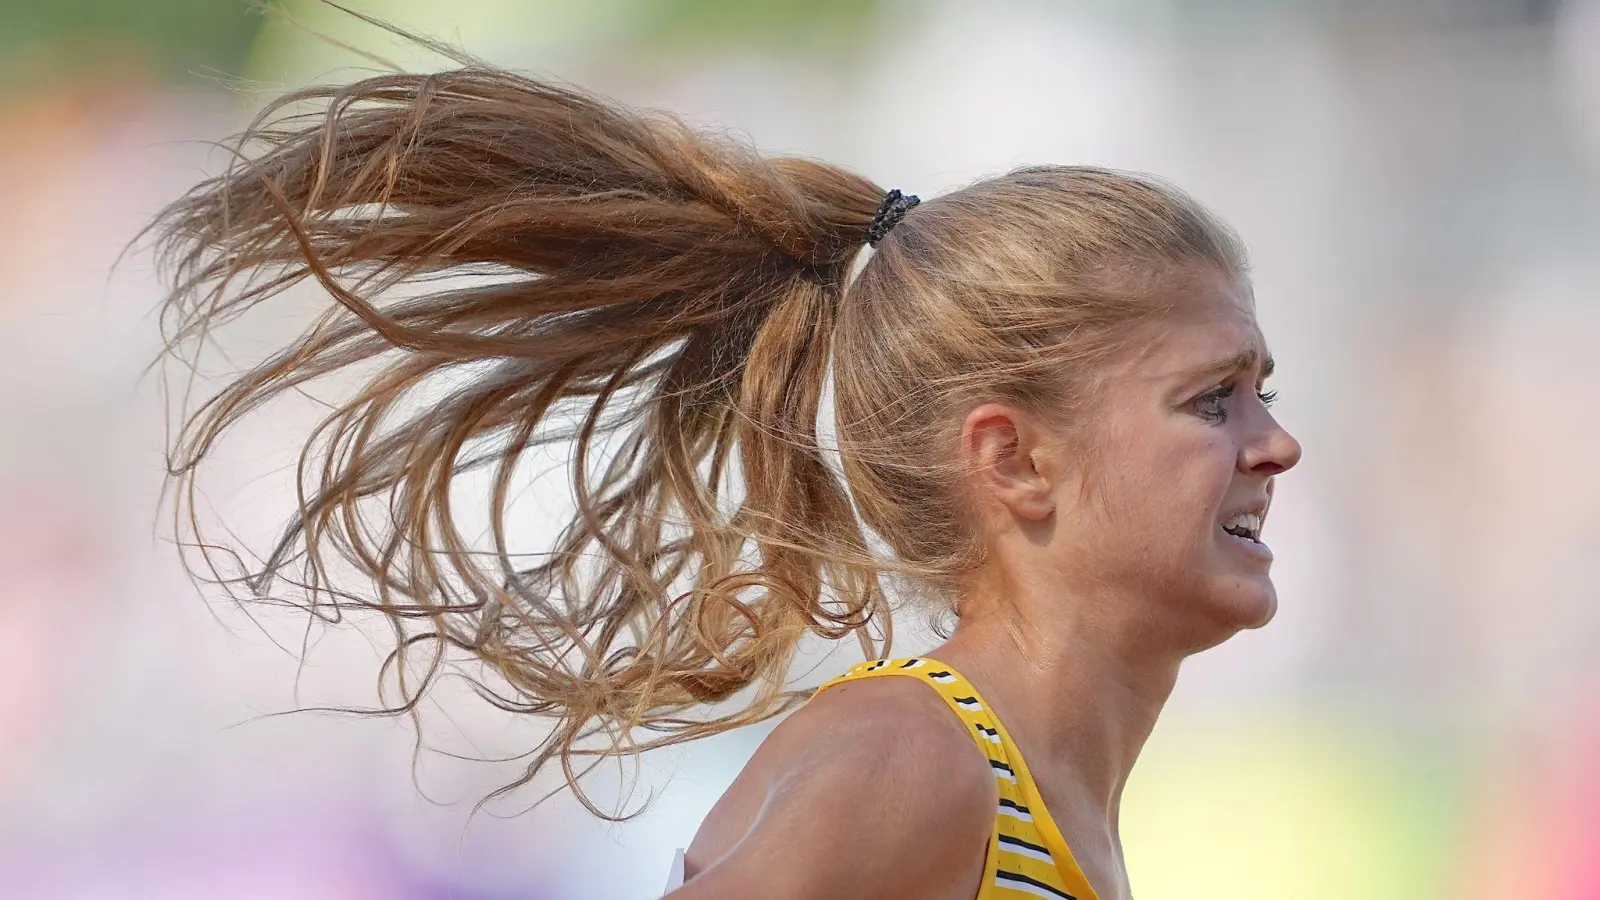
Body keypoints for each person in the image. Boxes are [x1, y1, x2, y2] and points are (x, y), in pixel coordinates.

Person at [143, 28, 1301, 900]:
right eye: (1211, 398)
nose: (1275, 443)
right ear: (1015, 461)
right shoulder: (914, 762)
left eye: (1263, 391)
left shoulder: (1032, 801)